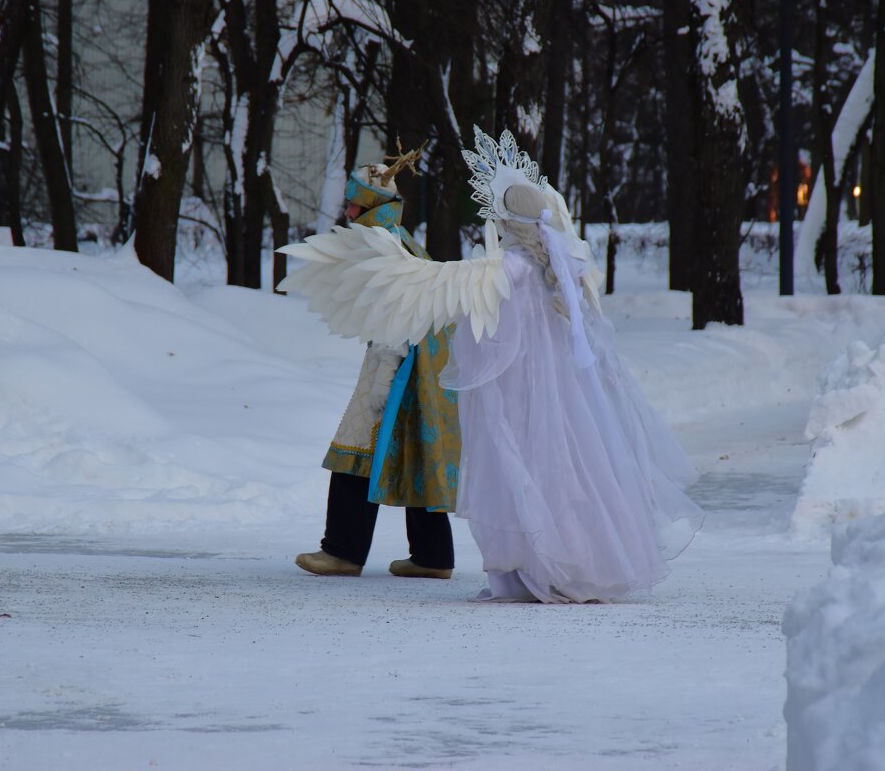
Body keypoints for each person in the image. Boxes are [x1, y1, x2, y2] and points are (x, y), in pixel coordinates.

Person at [280, 127, 702, 602]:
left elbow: (468, 316)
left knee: (526, 472)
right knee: (570, 470)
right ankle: (578, 561)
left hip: (522, 391)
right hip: (566, 397)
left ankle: (538, 569)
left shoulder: (508, 269)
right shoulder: (571, 268)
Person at [292, 145, 460, 580]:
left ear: (372, 205)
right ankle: (432, 555)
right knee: (416, 453)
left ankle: (343, 551)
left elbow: (394, 320)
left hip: (395, 367)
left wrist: (381, 387)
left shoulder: (380, 249)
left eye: (354, 201)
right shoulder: (404, 243)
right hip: (422, 370)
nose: (347, 209)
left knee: (355, 452)